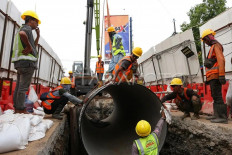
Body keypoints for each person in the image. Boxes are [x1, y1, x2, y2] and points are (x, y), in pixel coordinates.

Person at [12, 10, 41, 114]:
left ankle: (17, 108)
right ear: (31, 20)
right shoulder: (26, 28)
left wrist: (37, 36)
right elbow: (22, 33)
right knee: (23, 87)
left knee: (19, 87)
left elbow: (34, 47)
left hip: (20, 63)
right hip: (27, 63)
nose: (37, 24)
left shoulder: (27, 30)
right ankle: (20, 109)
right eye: (36, 22)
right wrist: (28, 46)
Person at [201, 29, 227, 123]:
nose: (205, 42)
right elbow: (214, 62)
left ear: (208, 37)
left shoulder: (216, 46)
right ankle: (217, 115)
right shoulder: (212, 47)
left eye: (205, 40)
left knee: (217, 96)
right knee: (215, 96)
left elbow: (221, 60)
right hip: (212, 77)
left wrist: (221, 75)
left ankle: (223, 117)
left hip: (216, 76)